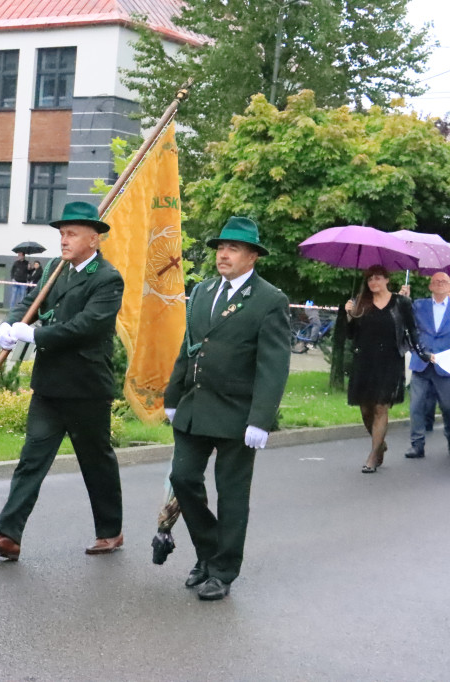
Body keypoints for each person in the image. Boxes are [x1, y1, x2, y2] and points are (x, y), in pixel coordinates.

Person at [0, 201, 125, 560]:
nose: (64, 240)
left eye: (71, 234)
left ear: (94, 239)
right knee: (31, 459)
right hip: (50, 386)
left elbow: (88, 326)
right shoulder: (56, 269)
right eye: (61, 234)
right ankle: (8, 535)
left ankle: (110, 531)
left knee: (96, 461)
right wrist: (9, 325)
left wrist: (36, 336)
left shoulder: (107, 278)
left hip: (86, 387)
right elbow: (29, 302)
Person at [163, 216, 290, 601]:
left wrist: (261, 419)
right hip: (196, 406)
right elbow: (189, 347)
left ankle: (223, 570)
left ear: (252, 256)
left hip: (238, 414)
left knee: (232, 494)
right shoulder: (202, 292)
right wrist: (172, 397)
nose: (223, 254)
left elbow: (273, 365)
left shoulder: (269, 300)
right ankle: (208, 552)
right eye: (220, 247)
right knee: (183, 480)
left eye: (233, 248)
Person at [344, 265, 430, 473]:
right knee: (366, 409)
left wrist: (423, 353)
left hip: (390, 360)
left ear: (387, 280)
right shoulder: (361, 302)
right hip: (365, 360)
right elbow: (350, 334)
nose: (373, 282)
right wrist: (349, 315)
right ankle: (379, 442)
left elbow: (412, 331)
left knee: (381, 407)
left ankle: (373, 456)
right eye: (370, 279)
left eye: (377, 278)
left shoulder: (401, 303)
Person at [404, 272, 450, 459]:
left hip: (445, 365)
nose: (440, 284)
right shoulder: (419, 305)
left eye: (444, 282)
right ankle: (417, 444)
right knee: (416, 406)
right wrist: (404, 299)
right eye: (436, 282)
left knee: (448, 407)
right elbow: (409, 325)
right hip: (422, 363)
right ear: (430, 287)